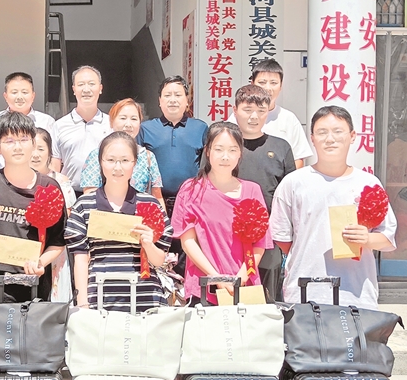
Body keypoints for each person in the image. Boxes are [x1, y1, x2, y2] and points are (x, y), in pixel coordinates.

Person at [269, 106, 397, 309]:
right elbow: (282, 237)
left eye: (338, 131)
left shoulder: (368, 183)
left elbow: (387, 237)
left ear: (352, 136)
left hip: (356, 292)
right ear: (312, 139)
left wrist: (366, 239)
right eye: (322, 132)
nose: (330, 139)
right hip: (305, 290)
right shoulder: (293, 183)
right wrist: (308, 249)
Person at [0, 112, 67, 305]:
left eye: (23, 139)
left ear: (33, 143)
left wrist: (40, 262)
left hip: (33, 295)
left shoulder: (49, 188)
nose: (18, 146)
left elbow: (58, 240)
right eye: (9, 141)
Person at [65, 132, 172, 312]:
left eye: (125, 160)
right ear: (100, 162)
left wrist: (148, 244)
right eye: (111, 160)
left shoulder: (150, 204)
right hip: (100, 299)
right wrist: (83, 304)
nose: (117, 167)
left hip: (145, 300)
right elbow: (81, 259)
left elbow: (159, 261)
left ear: (134, 163)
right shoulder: (84, 205)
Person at [171, 122, 273, 306]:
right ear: (207, 151)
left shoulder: (252, 190)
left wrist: (241, 278)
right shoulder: (191, 189)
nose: (225, 157)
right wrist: (217, 278)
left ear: (240, 153)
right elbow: (188, 242)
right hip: (204, 287)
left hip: (244, 288)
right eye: (219, 149)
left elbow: (259, 244)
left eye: (232, 150)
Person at [234, 85, 296, 303]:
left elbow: (291, 197)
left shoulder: (281, 147)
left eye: (261, 111)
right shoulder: (223, 146)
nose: (254, 117)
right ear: (235, 110)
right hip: (228, 237)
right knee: (231, 295)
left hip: (269, 237)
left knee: (268, 300)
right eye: (247, 110)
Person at [137, 76, 207, 219]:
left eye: (178, 95)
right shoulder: (145, 128)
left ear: (187, 100)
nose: (172, 100)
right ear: (160, 101)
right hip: (154, 201)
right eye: (167, 95)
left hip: (191, 203)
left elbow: (206, 165)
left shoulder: (200, 128)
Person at [80, 98, 165, 208]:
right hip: (104, 214)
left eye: (134, 119)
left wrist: (162, 218)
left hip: (139, 216)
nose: (128, 124)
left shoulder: (148, 157)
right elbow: (90, 194)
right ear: (111, 122)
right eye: (123, 118)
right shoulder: (97, 155)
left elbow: (157, 197)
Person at [31, 128, 76, 303]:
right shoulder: (20, 183)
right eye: (32, 148)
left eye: (41, 149)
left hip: (56, 249)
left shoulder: (62, 183)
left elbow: (70, 220)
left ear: (50, 151)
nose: (35, 154)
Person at [241, 59, 314, 168]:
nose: (268, 88)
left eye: (274, 83)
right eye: (262, 82)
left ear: (281, 86)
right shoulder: (239, 117)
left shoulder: (289, 119)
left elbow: (298, 159)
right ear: (252, 84)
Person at [0, 72, 57, 171]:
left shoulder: (47, 121)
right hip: (0, 178)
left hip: (37, 178)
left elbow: (53, 157)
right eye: (14, 92)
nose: (19, 97)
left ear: (33, 96)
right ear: (5, 96)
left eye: (25, 92)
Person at [51, 66, 111, 193]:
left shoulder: (111, 124)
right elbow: (55, 164)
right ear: (74, 89)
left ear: (100, 88)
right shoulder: (60, 125)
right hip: (69, 193)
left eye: (91, 84)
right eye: (81, 84)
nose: (86, 89)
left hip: (104, 192)